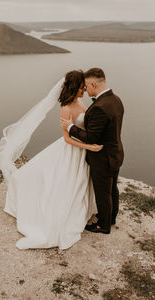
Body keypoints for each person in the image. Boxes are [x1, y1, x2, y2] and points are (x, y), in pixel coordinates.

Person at [0, 70, 102, 250]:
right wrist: (89, 147)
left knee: (79, 183)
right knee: (55, 182)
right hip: (71, 150)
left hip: (82, 151)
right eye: (82, 87)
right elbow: (68, 138)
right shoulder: (66, 108)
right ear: (74, 87)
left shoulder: (80, 101)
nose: (84, 90)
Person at [61, 68, 124, 234]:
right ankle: (111, 218)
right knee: (112, 189)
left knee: (103, 192)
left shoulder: (99, 107)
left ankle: (103, 226)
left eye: (86, 86)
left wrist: (71, 127)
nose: (85, 89)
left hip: (102, 157)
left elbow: (91, 138)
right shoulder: (116, 100)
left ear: (94, 83)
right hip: (115, 152)